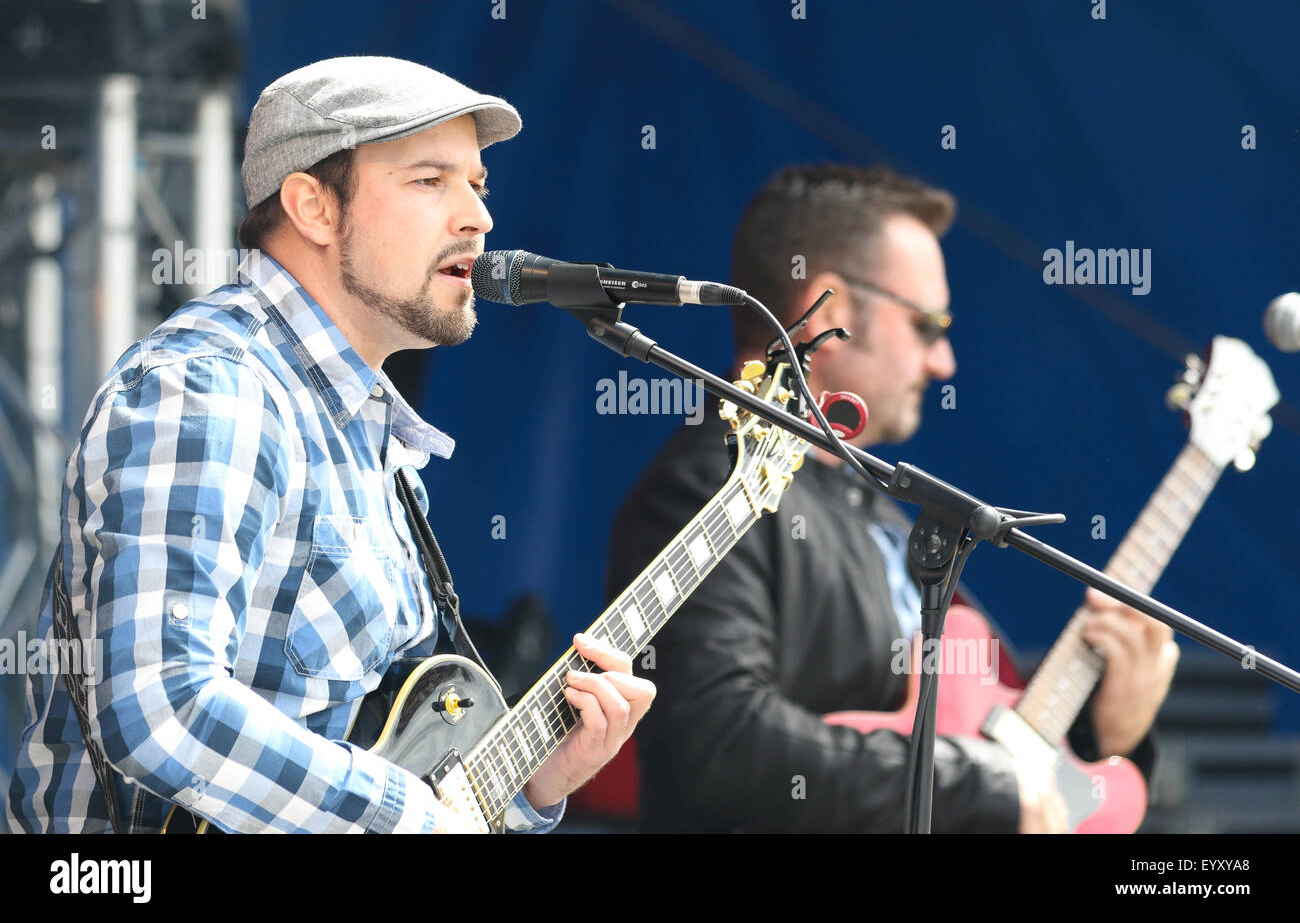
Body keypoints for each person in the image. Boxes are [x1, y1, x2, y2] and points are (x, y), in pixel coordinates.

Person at [7, 56, 654, 833]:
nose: (478, 218)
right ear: (313, 207)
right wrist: (397, 814)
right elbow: (159, 703)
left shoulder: (367, 430)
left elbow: (394, 755)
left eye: (477, 186)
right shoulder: (214, 388)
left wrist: (530, 787)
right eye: (429, 181)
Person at [604, 164, 1179, 832]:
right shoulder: (710, 484)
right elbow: (716, 743)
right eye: (929, 325)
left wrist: (1110, 734)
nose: (945, 363)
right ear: (832, 312)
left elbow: (972, 742)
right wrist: (984, 788)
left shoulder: (868, 500)